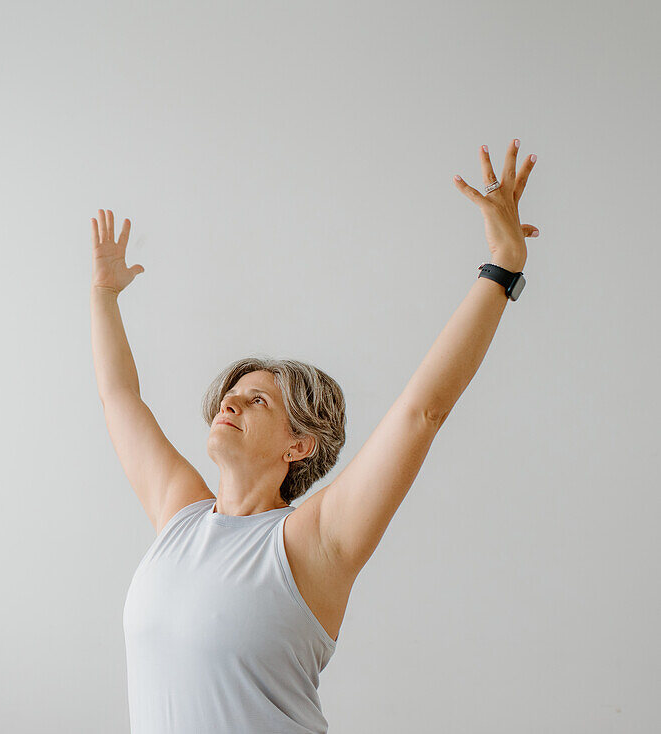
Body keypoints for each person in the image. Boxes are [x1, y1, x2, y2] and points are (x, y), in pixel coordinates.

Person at [88, 140, 540, 733]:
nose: (231, 401)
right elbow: (119, 397)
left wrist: (502, 268)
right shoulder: (180, 515)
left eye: (257, 401)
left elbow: (421, 411)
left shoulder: (310, 542)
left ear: (299, 445)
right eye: (232, 392)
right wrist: (103, 296)